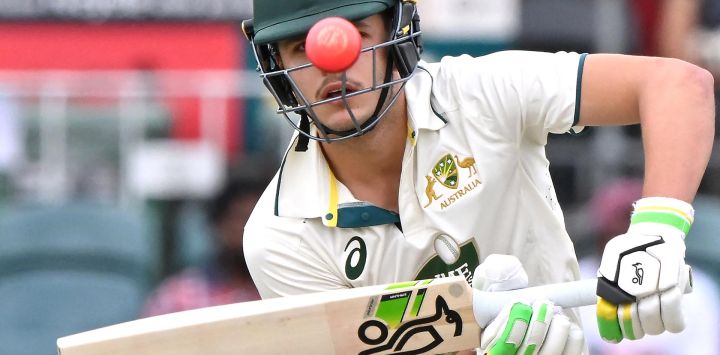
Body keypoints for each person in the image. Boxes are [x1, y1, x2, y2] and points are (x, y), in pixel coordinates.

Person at [241, 1, 715, 354]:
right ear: (276, 66)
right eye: (301, 46)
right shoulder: (280, 238)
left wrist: (658, 230)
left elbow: (678, 85)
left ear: (396, 33)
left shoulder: (481, 93)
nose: (332, 60)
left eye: (355, 33)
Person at [578, 178, 720, 355]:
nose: (626, 246)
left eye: (631, 230)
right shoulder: (576, 281)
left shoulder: (695, 288)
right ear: (600, 235)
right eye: (616, 233)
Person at [142, 172, 264, 316]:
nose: (250, 232)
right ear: (218, 224)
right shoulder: (178, 298)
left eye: (260, 223)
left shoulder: (283, 296)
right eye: (241, 219)